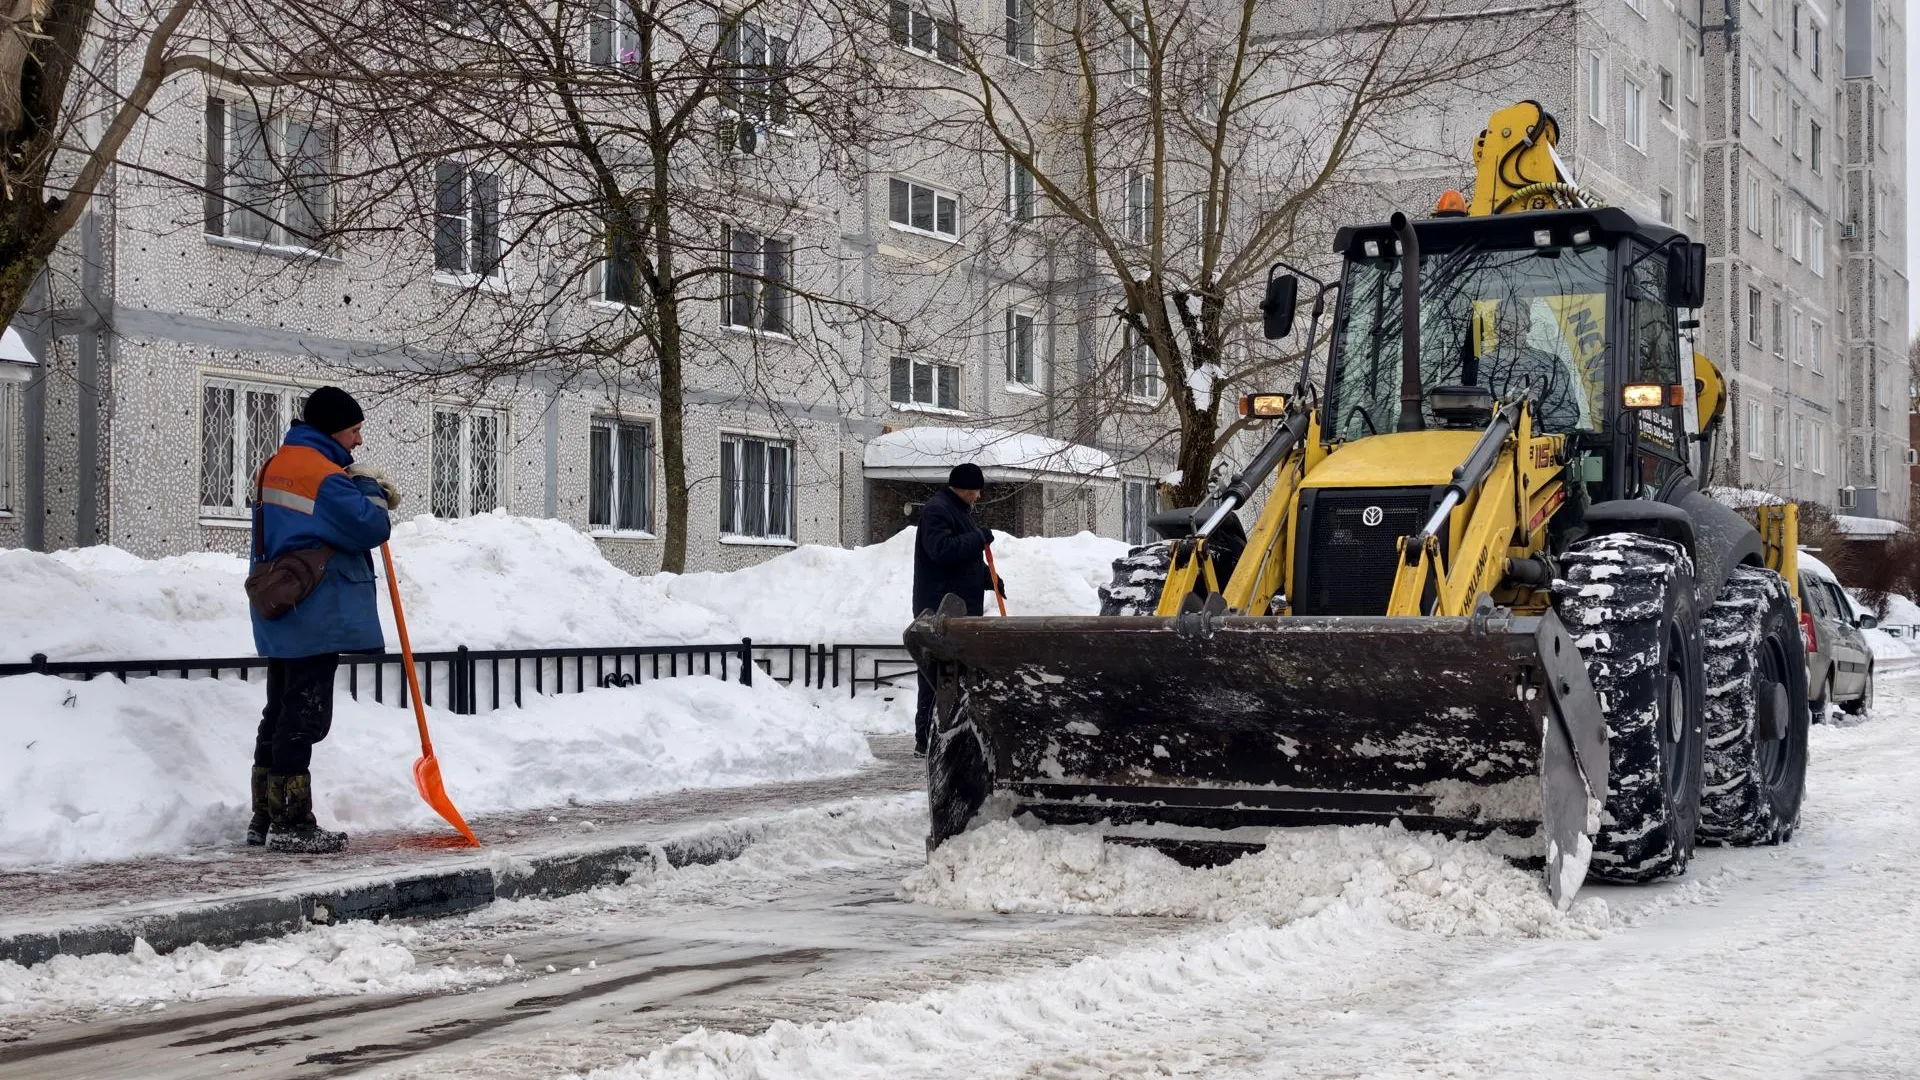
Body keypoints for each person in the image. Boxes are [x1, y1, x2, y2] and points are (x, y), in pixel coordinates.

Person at [247, 386, 401, 854]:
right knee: (303, 716)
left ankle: (265, 818)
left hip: (282, 602)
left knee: (278, 712)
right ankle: (292, 824)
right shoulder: (325, 475)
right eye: (354, 431)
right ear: (334, 429)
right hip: (318, 608)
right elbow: (372, 527)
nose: (357, 441)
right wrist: (369, 486)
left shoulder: (276, 464)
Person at [910, 462, 1003, 757]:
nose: (978, 497)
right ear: (963, 488)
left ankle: (949, 736)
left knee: (954, 676)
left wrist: (991, 579)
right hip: (940, 610)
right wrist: (979, 537)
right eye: (976, 491)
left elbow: (967, 561)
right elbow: (942, 550)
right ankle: (926, 740)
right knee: (936, 676)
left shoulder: (958, 511)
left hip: (958, 609)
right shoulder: (938, 510)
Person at [1483, 301, 1582, 431]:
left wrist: (1534, 410)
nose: (1507, 327)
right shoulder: (1480, 367)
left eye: (1515, 320)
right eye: (1501, 320)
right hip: (1483, 445)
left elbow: (1569, 414)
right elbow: (1463, 411)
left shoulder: (1550, 365)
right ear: (1495, 326)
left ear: (1528, 325)